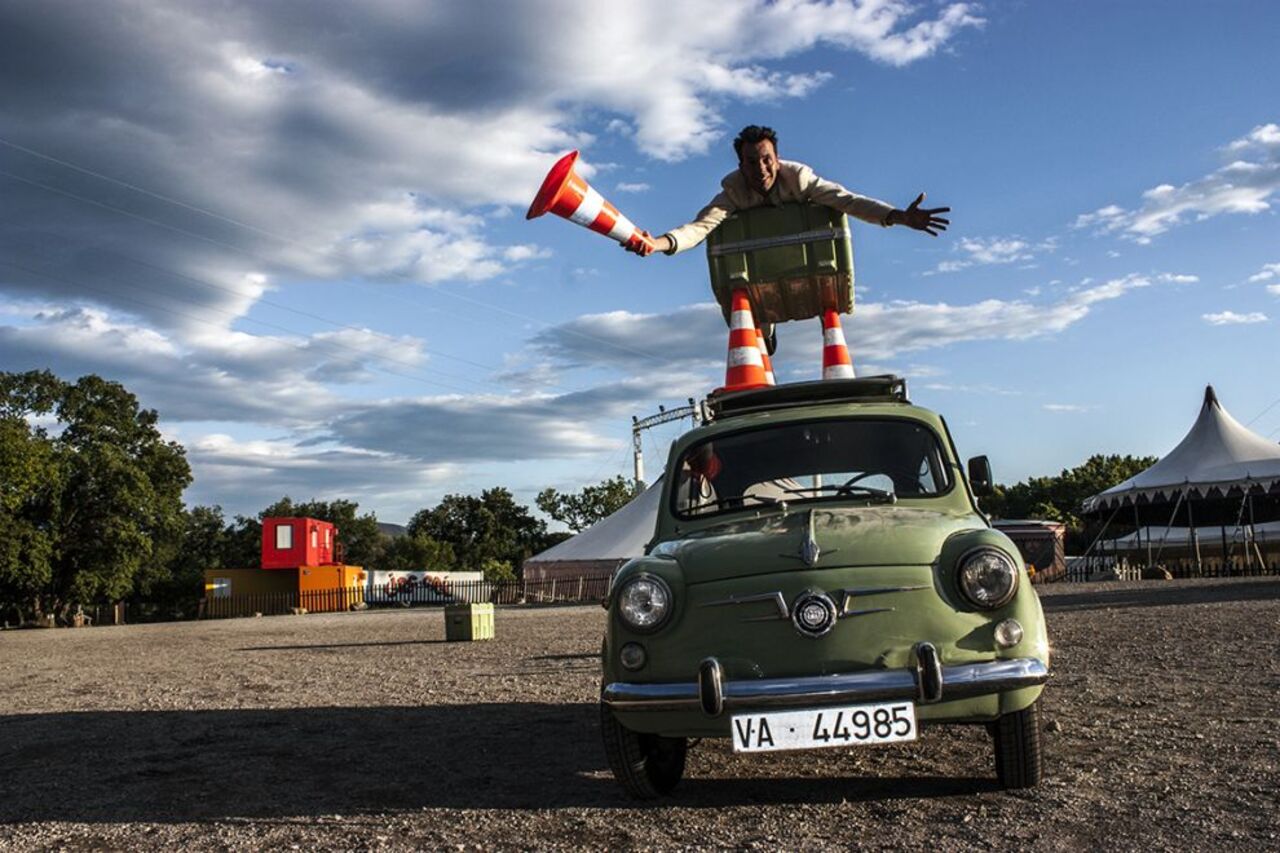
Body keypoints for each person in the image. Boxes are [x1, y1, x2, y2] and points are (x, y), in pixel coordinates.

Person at [625, 125, 950, 257]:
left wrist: (898, 217)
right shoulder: (734, 191)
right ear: (741, 165)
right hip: (760, 261)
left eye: (767, 160)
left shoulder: (800, 180)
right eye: (751, 163)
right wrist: (658, 243)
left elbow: (848, 201)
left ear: (777, 160)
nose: (761, 169)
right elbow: (699, 227)